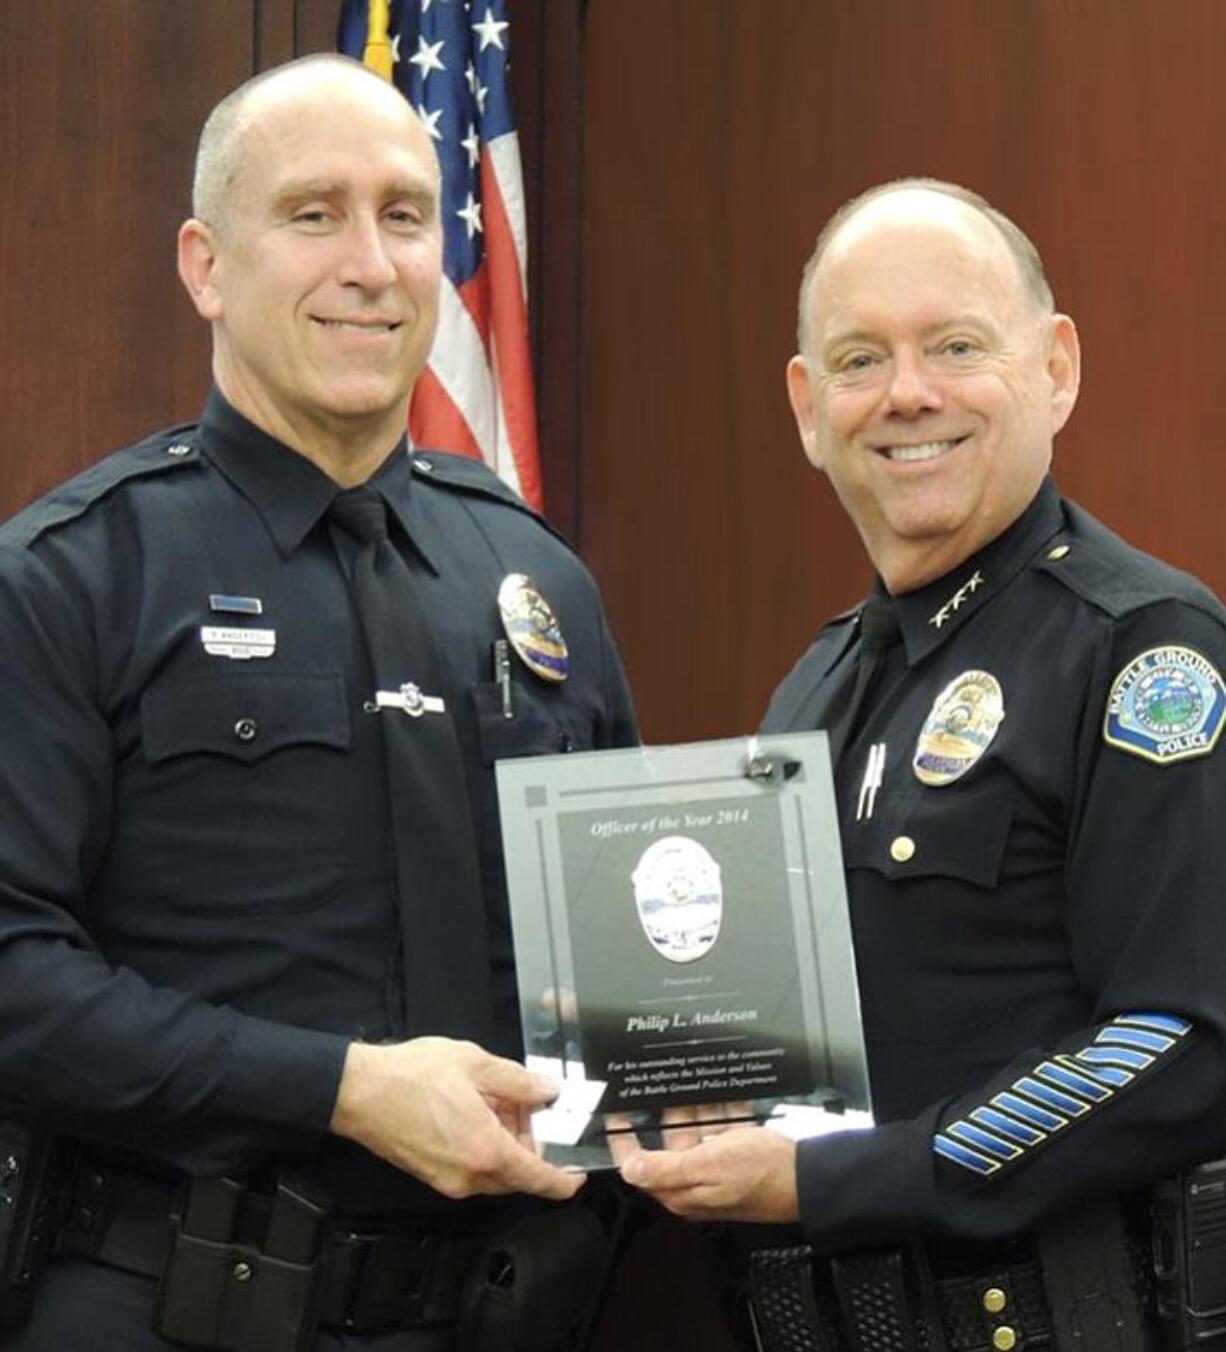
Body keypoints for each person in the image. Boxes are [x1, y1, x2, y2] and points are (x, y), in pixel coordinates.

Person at [0, 55, 636, 1352]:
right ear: (205, 266)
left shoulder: (532, 578)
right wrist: (338, 1091)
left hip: (498, 1309)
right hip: (174, 1304)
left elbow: (625, 942)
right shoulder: (75, 576)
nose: (371, 262)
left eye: (405, 215)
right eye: (312, 215)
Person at [617, 179, 1226, 1349]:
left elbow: (1184, 1040)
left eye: (954, 345)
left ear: (1053, 367)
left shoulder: (1141, 651)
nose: (906, 394)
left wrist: (833, 1178)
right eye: (857, 360)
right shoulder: (818, 683)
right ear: (806, 407)